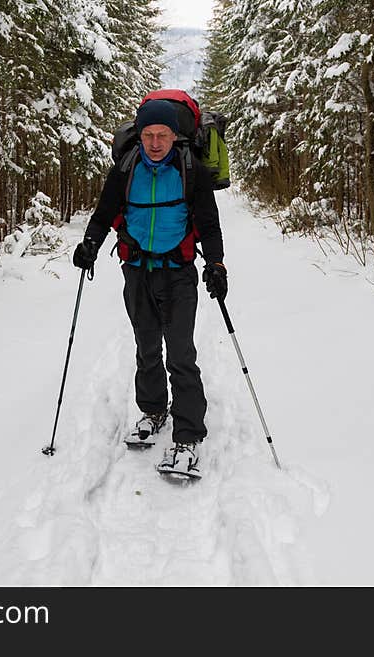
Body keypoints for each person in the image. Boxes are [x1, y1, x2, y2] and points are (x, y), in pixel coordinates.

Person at [72, 98, 227, 476]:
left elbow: (208, 223)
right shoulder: (126, 169)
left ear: (175, 136)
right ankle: (154, 411)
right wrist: (90, 242)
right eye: (148, 135)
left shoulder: (191, 171)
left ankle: (188, 433)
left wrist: (217, 263)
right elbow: (105, 211)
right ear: (139, 136)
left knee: (180, 354)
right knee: (146, 347)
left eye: (162, 135)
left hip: (178, 271)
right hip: (137, 269)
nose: (155, 143)